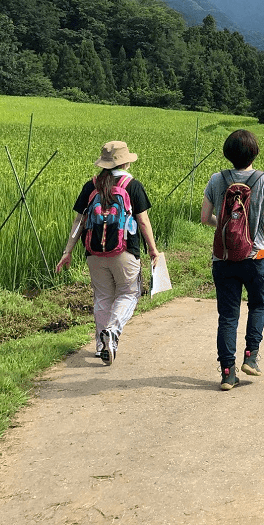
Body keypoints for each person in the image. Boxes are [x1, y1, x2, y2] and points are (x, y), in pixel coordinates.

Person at [56, 141, 160, 365]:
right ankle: (112, 331)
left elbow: (79, 222)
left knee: (102, 296)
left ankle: (101, 345)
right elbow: (142, 221)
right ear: (125, 162)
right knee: (129, 293)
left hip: (93, 252)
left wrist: (68, 251)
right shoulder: (132, 185)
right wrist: (153, 249)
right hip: (124, 251)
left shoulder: (91, 185)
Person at [201, 129, 264, 390]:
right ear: (255, 152)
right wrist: (259, 232)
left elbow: (205, 218)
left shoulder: (216, 180)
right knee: (258, 305)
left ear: (228, 153)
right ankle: (251, 356)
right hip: (256, 256)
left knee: (227, 316)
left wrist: (224, 228)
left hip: (223, 257)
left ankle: (227, 372)